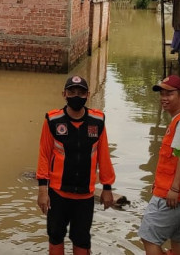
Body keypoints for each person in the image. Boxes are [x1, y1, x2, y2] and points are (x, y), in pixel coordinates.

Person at [37, 75, 115, 255]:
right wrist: (42, 190)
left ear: (87, 95)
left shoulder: (97, 121)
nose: (76, 96)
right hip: (57, 193)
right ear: (64, 94)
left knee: (81, 239)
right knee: (55, 235)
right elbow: (44, 155)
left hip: (85, 196)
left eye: (80, 92)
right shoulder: (52, 120)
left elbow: (103, 155)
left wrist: (107, 187)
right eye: (72, 92)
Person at [139, 75, 180, 255]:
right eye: (162, 94)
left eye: (169, 94)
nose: (164, 98)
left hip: (175, 196)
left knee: (149, 236)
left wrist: (175, 188)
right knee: (178, 238)